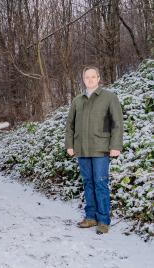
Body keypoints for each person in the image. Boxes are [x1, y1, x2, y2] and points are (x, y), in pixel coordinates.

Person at [65, 66, 123, 234]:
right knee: (88, 183)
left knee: (100, 183)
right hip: (82, 149)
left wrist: (115, 146)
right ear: (83, 80)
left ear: (98, 78)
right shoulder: (77, 100)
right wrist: (70, 145)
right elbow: (70, 125)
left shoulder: (109, 97)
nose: (90, 80)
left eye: (93, 77)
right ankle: (90, 217)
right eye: (87, 77)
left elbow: (117, 123)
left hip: (101, 149)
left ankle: (103, 221)